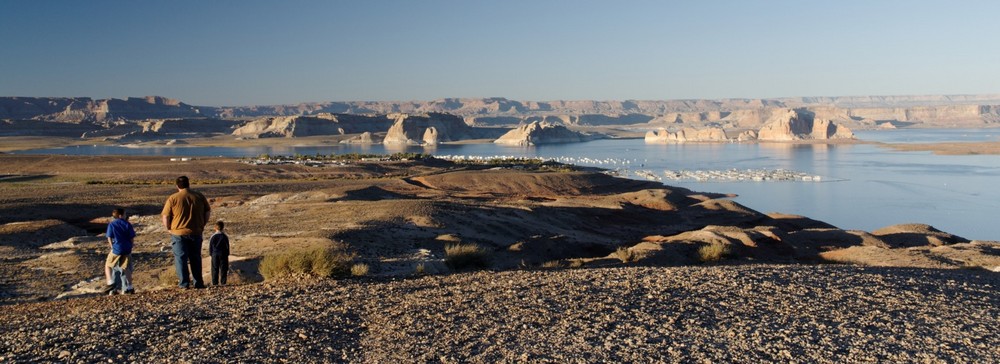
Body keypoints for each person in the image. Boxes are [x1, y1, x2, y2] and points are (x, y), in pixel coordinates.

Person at [161, 175, 211, 289]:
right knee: (196, 258)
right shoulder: (198, 196)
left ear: (177, 185)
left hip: (178, 233)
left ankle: (184, 284)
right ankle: (198, 283)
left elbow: (166, 216)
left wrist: (168, 228)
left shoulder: (173, 198)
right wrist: (203, 224)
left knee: (180, 258)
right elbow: (208, 211)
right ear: (189, 184)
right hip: (196, 231)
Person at [105, 208, 136, 294]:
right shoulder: (127, 224)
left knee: (108, 265)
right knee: (126, 268)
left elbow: (109, 237)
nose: (126, 216)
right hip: (126, 249)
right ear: (120, 215)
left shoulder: (112, 224)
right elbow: (132, 238)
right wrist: (130, 246)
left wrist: (112, 247)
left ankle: (110, 282)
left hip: (117, 249)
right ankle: (130, 287)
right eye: (125, 214)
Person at [208, 220, 230, 286]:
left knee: (215, 268)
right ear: (223, 228)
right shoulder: (225, 236)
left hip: (215, 254)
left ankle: (215, 283)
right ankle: (223, 282)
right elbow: (227, 246)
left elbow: (210, 246)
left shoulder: (213, 236)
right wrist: (227, 254)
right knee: (223, 268)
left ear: (215, 228)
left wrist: (211, 254)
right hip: (223, 254)